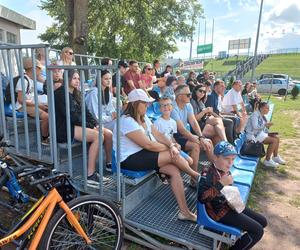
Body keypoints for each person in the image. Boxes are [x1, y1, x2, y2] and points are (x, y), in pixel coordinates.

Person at [113, 89, 200, 222]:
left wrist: (171, 145)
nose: (148, 106)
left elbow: (158, 135)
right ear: (136, 104)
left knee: (174, 170)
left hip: (143, 154)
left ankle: (184, 212)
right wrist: (170, 147)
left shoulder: (144, 117)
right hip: (128, 159)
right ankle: (196, 176)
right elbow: (148, 145)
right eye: (145, 103)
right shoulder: (126, 121)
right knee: (172, 156)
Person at [198, 141, 267, 250]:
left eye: (233, 159)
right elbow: (202, 198)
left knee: (263, 221)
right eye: (226, 159)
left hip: (229, 206)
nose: (230, 163)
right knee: (258, 231)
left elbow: (227, 191)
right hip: (218, 213)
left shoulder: (224, 170)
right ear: (215, 158)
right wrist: (220, 184)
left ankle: (241, 241)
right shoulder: (207, 173)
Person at [54, 70, 110, 183]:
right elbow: (71, 116)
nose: (77, 81)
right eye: (74, 78)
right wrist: (90, 126)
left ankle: (109, 164)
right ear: (67, 79)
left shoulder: (76, 93)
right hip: (65, 128)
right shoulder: (60, 93)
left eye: (78, 79)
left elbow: (86, 112)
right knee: (98, 136)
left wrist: (96, 124)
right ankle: (90, 174)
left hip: (77, 125)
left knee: (108, 133)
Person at [171, 85, 214, 185]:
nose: (190, 96)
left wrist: (201, 137)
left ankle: (216, 171)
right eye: (188, 94)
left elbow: (194, 122)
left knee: (208, 142)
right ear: (179, 96)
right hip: (174, 136)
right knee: (196, 146)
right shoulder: (173, 108)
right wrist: (198, 140)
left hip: (184, 133)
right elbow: (181, 130)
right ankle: (194, 181)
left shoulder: (188, 105)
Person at [14, 57, 49, 139]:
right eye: (40, 68)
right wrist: (39, 105)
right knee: (46, 116)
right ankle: (44, 138)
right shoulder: (23, 80)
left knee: (52, 109)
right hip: (22, 106)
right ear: (34, 69)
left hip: (31, 103)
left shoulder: (32, 79)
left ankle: (50, 133)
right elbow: (21, 100)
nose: (41, 71)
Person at [154, 96, 193, 166]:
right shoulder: (157, 123)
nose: (166, 107)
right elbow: (156, 140)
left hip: (173, 147)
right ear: (160, 109)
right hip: (164, 149)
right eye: (163, 105)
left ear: (172, 107)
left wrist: (176, 144)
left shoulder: (173, 122)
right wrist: (170, 146)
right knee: (186, 163)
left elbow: (172, 137)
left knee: (190, 161)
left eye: (168, 104)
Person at [245, 101, 285, 168]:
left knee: (276, 138)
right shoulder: (255, 115)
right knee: (273, 140)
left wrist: (269, 133)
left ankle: (275, 157)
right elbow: (255, 127)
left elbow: (262, 129)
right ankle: (267, 160)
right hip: (252, 136)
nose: (268, 110)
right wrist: (265, 125)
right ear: (261, 108)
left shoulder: (262, 116)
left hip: (258, 134)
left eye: (268, 108)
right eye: (267, 108)